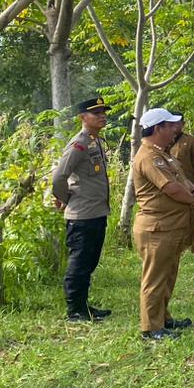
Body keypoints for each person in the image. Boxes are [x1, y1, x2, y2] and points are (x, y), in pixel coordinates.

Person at [131, 107, 194, 342]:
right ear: (158, 128)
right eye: (170, 125)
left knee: (168, 275)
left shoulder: (164, 154)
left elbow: (181, 179)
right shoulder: (149, 156)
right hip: (156, 228)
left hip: (170, 226)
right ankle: (151, 328)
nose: (175, 129)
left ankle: (163, 318)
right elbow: (170, 188)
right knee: (155, 278)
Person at [49, 95, 113, 322]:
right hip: (82, 214)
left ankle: (83, 305)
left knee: (89, 261)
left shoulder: (95, 141)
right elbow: (59, 176)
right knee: (80, 262)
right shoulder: (80, 143)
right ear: (82, 117)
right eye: (97, 113)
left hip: (96, 211)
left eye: (104, 112)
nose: (102, 116)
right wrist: (64, 197)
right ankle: (74, 310)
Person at [168, 115, 194, 252]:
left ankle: (190, 246)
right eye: (171, 123)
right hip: (170, 184)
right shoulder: (164, 142)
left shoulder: (190, 141)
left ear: (183, 124)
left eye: (178, 123)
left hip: (188, 184)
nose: (175, 126)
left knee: (188, 216)